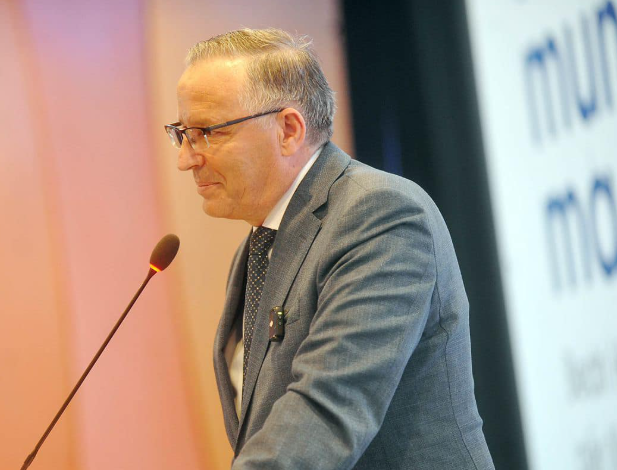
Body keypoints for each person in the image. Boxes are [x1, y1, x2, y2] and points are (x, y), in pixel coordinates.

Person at [165, 28, 494, 469]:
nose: (186, 158)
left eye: (205, 132)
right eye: (181, 133)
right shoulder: (256, 250)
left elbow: (326, 409)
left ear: (288, 130)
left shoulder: (380, 214)